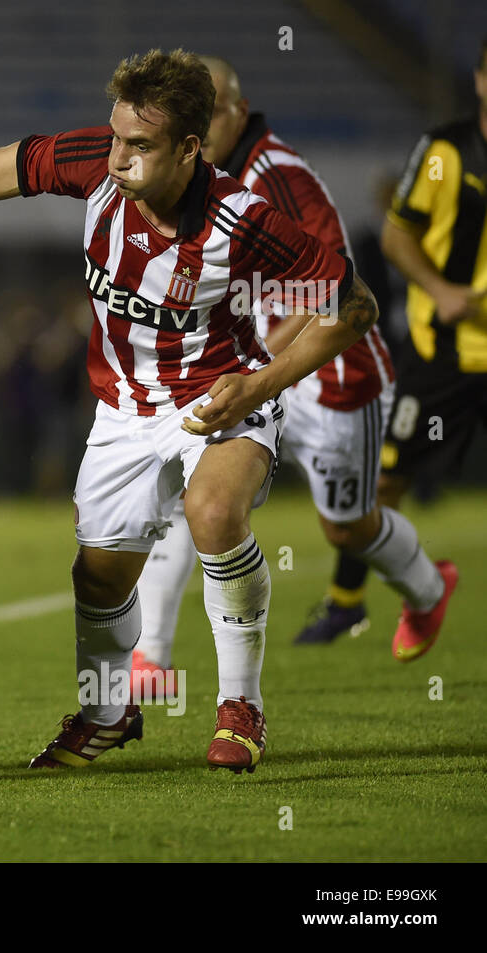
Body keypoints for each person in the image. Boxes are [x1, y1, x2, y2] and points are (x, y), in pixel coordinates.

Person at [0, 49, 380, 773]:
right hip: (121, 411)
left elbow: (354, 305)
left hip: (220, 395)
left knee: (213, 514)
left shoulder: (242, 219)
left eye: (139, 145)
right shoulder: (94, 159)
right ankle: (107, 711)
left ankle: (240, 706)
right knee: (98, 578)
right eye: (116, 137)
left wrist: (261, 384)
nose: (117, 157)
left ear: (190, 148)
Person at [129, 56, 453, 688]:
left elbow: (337, 287)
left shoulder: (274, 174)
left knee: (346, 525)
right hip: (258, 367)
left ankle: (426, 588)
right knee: (181, 486)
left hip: (332, 373)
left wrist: (251, 361)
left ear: (236, 113)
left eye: (209, 107)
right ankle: (152, 659)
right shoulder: (200, 177)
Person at [322, 37, 487, 649]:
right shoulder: (446, 151)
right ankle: (372, 599)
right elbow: (397, 237)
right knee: (385, 484)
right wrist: (441, 289)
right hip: (444, 353)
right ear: (479, 81)